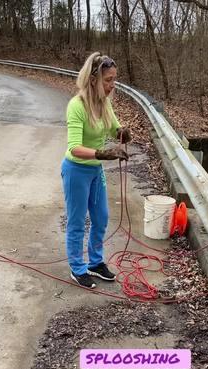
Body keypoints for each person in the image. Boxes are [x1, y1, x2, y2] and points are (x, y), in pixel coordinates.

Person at [61, 52, 132, 289]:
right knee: (77, 221)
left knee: (101, 218)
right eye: (108, 80)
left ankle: (94, 262)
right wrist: (101, 153)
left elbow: (114, 129)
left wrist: (122, 132)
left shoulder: (105, 104)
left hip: (94, 171)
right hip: (76, 171)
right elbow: (74, 148)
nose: (113, 85)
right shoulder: (76, 106)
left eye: (114, 79)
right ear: (93, 80)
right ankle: (77, 268)